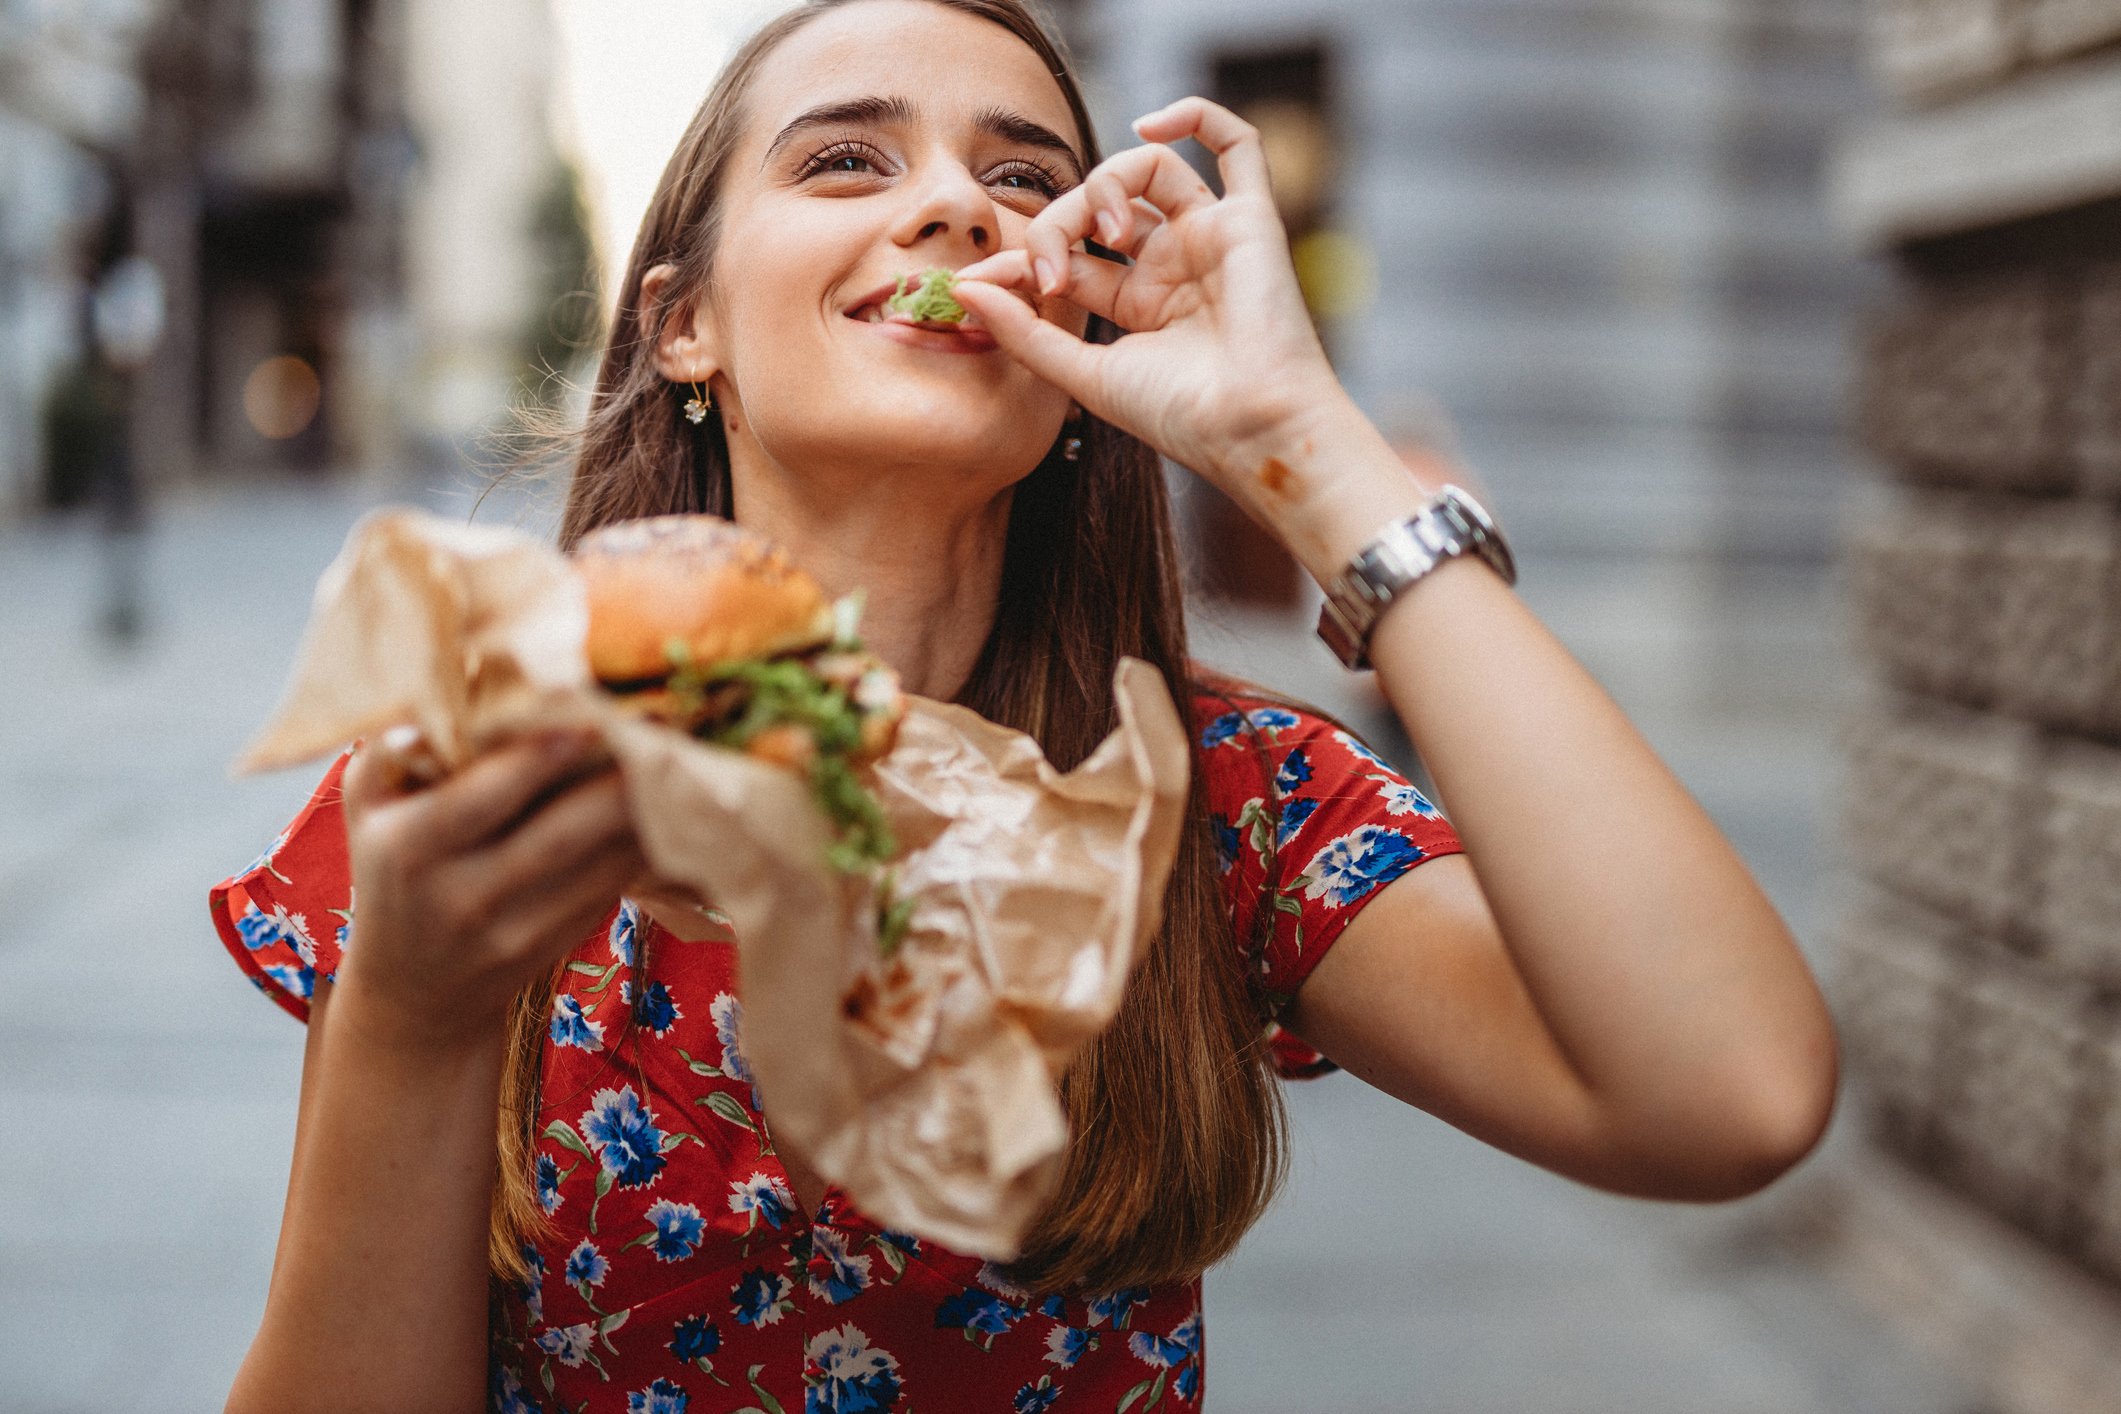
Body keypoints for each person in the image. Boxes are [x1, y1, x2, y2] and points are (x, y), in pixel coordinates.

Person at [209, 2, 1838, 1410]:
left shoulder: (1215, 801)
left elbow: (1729, 1094)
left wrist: (1301, 439)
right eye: (846, 159)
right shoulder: (468, 777)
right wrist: (414, 1022)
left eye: (1021, 182)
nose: (950, 210)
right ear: (682, 323)